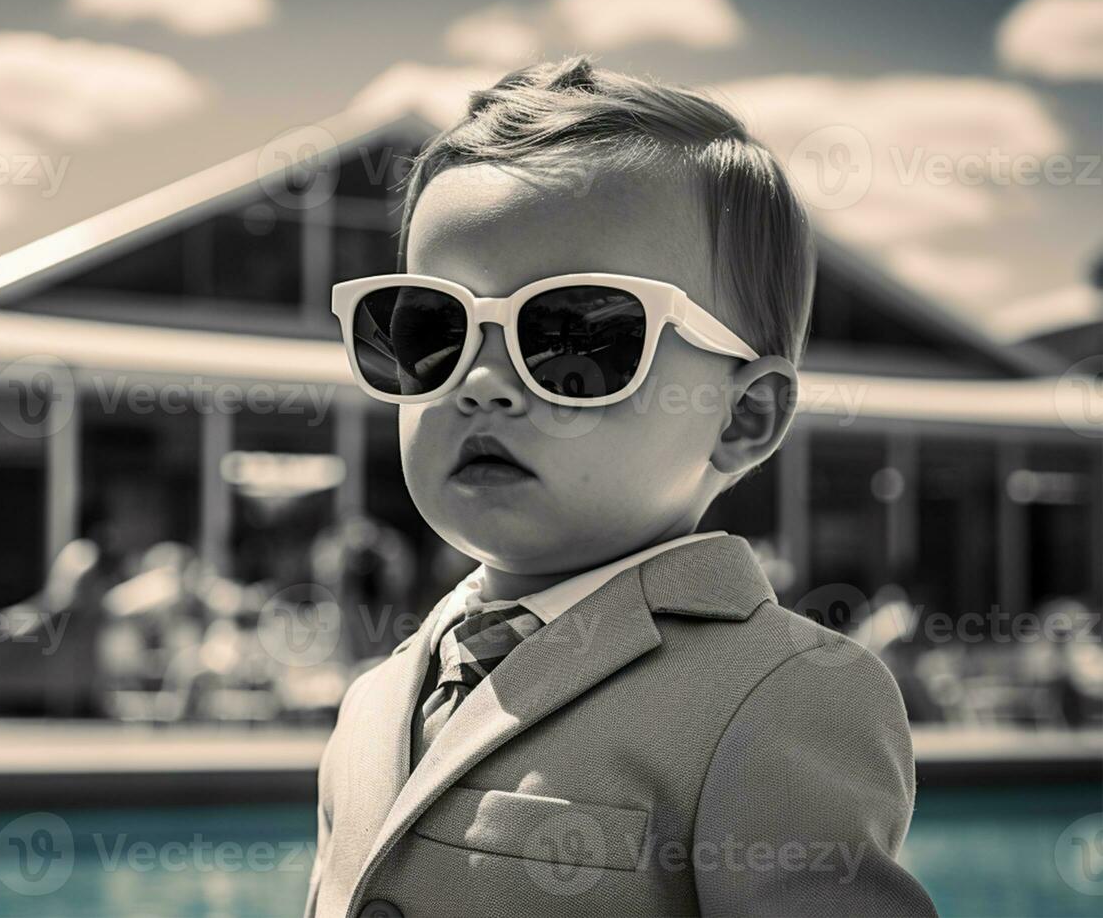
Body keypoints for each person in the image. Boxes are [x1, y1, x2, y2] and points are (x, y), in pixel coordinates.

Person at [306, 59, 936, 918]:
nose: (482, 381)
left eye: (574, 334)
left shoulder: (788, 693)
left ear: (741, 417)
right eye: (431, 329)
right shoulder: (379, 696)